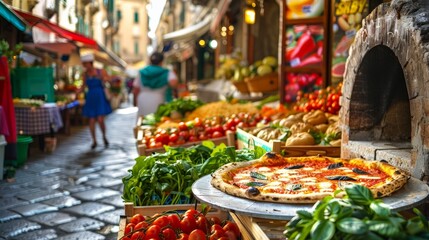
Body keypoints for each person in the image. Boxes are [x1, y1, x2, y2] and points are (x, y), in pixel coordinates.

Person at [81, 54, 112, 149]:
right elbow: (83, 87)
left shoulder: (100, 71)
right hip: (91, 97)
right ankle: (94, 140)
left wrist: (102, 78)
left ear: (90, 63)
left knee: (100, 119)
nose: (85, 66)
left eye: (86, 64)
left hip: (100, 96)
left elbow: (108, 80)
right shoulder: (85, 74)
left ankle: (104, 136)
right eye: (84, 64)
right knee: (91, 120)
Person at [132, 52, 178, 117]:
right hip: (159, 99)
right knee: (158, 121)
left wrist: (134, 102)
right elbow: (173, 84)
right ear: (162, 61)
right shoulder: (167, 72)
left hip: (143, 100)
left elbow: (135, 89)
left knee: (143, 120)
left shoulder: (142, 72)